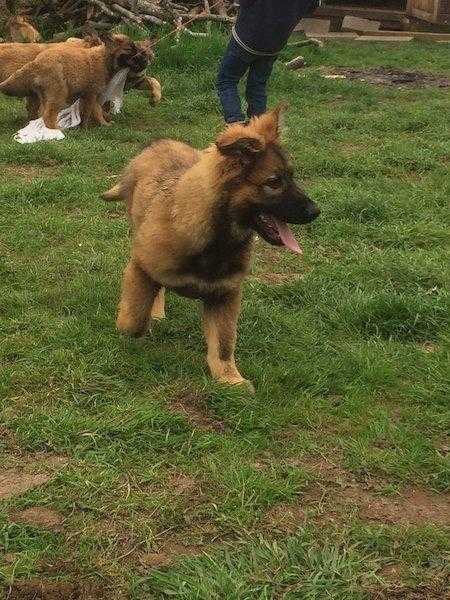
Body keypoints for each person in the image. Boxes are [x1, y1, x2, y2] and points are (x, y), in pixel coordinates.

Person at [217, 0, 320, 124]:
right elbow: (312, 7)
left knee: (227, 80)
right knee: (258, 86)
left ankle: (235, 122)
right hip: (275, 43)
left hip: (247, 37)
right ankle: (259, 127)